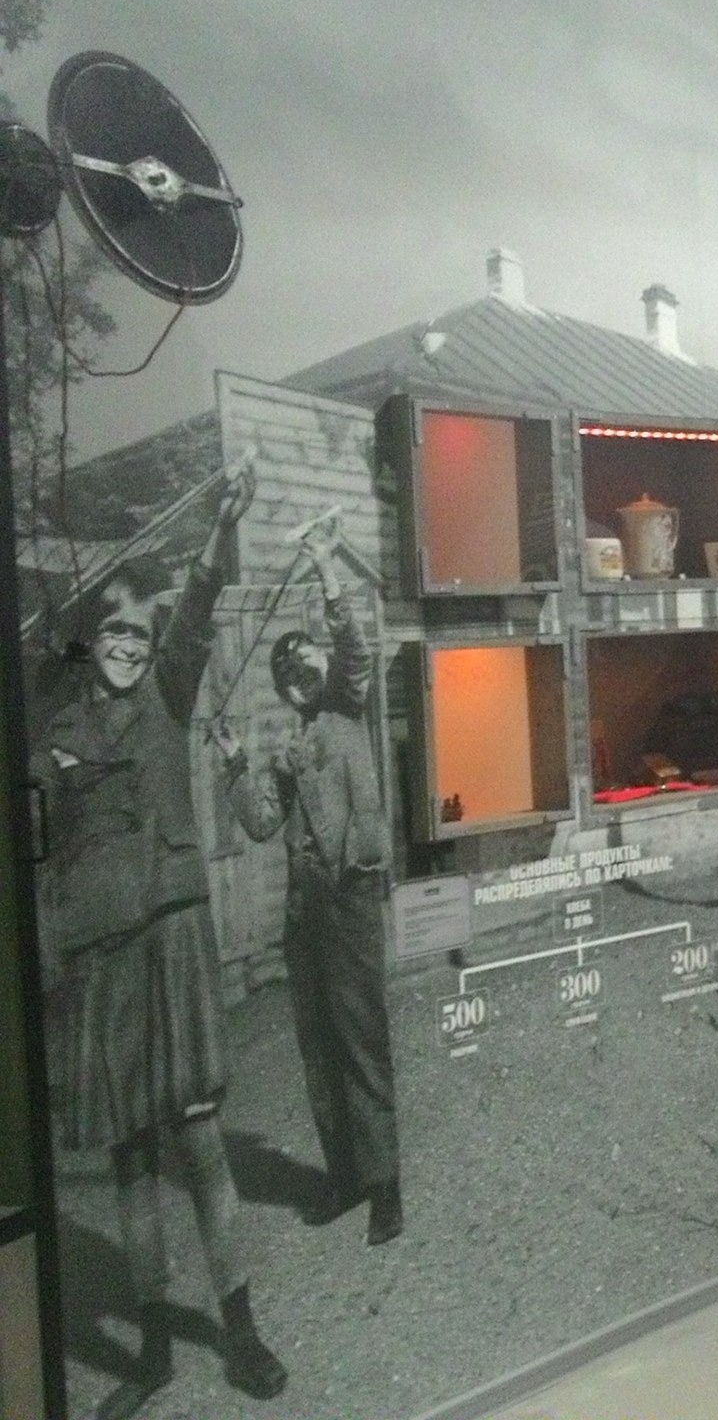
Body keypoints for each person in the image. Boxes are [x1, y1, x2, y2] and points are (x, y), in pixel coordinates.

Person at [36, 466, 288, 1414]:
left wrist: (222, 527)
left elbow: (199, 606)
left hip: (172, 944)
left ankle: (241, 1332)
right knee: (131, 1165)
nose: (130, 647)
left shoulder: (169, 697)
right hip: (100, 961)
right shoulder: (54, 733)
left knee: (201, 1146)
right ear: (90, 641)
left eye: (140, 635)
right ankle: (151, 1352)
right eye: (114, 633)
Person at [217, 514, 402, 1248]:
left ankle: (386, 1189)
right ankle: (345, 1177)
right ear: (282, 691)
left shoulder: (347, 705)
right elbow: (262, 822)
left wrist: (326, 566)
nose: (298, 678)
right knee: (318, 1051)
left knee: (361, 1045)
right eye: (285, 675)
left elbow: (356, 647)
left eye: (305, 666)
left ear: (323, 667)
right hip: (306, 914)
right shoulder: (291, 745)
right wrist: (235, 762)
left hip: (351, 900)